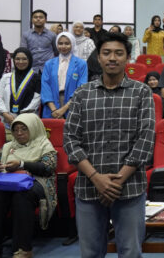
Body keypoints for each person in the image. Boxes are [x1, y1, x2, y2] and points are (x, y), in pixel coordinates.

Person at [63, 31, 155, 258]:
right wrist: (97, 178)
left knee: (131, 252)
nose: (112, 58)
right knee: (91, 253)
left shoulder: (141, 92)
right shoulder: (82, 93)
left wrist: (116, 181)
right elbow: (70, 140)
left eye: (118, 53)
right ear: (98, 57)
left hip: (129, 188)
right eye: (106, 53)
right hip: (88, 186)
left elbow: (145, 140)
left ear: (127, 58)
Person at [0, 114, 57, 258]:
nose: (19, 133)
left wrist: (22, 164)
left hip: (37, 181)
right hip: (9, 181)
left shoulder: (44, 144)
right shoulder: (8, 146)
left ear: (33, 128)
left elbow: (48, 167)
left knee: (22, 196)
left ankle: (23, 249)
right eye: (16, 130)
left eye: (24, 129)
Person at [0, 48, 42, 138]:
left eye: (24, 59)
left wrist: (22, 116)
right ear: (13, 60)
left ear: (30, 60)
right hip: (8, 121)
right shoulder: (6, 77)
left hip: (28, 121)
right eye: (17, 59)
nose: (20, 62)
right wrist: (5, 114)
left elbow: (37, 99)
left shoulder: (36, 78)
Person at [41, 33, 88, 119]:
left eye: (67, 43)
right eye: (60, 43)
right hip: (51, 104)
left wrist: (65, 108)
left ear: (72, 44)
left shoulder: (81, 64)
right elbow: (45, 87)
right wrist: (54, 110)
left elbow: (81, 87)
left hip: (72, 103)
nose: (63, 46)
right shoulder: (49, 64)